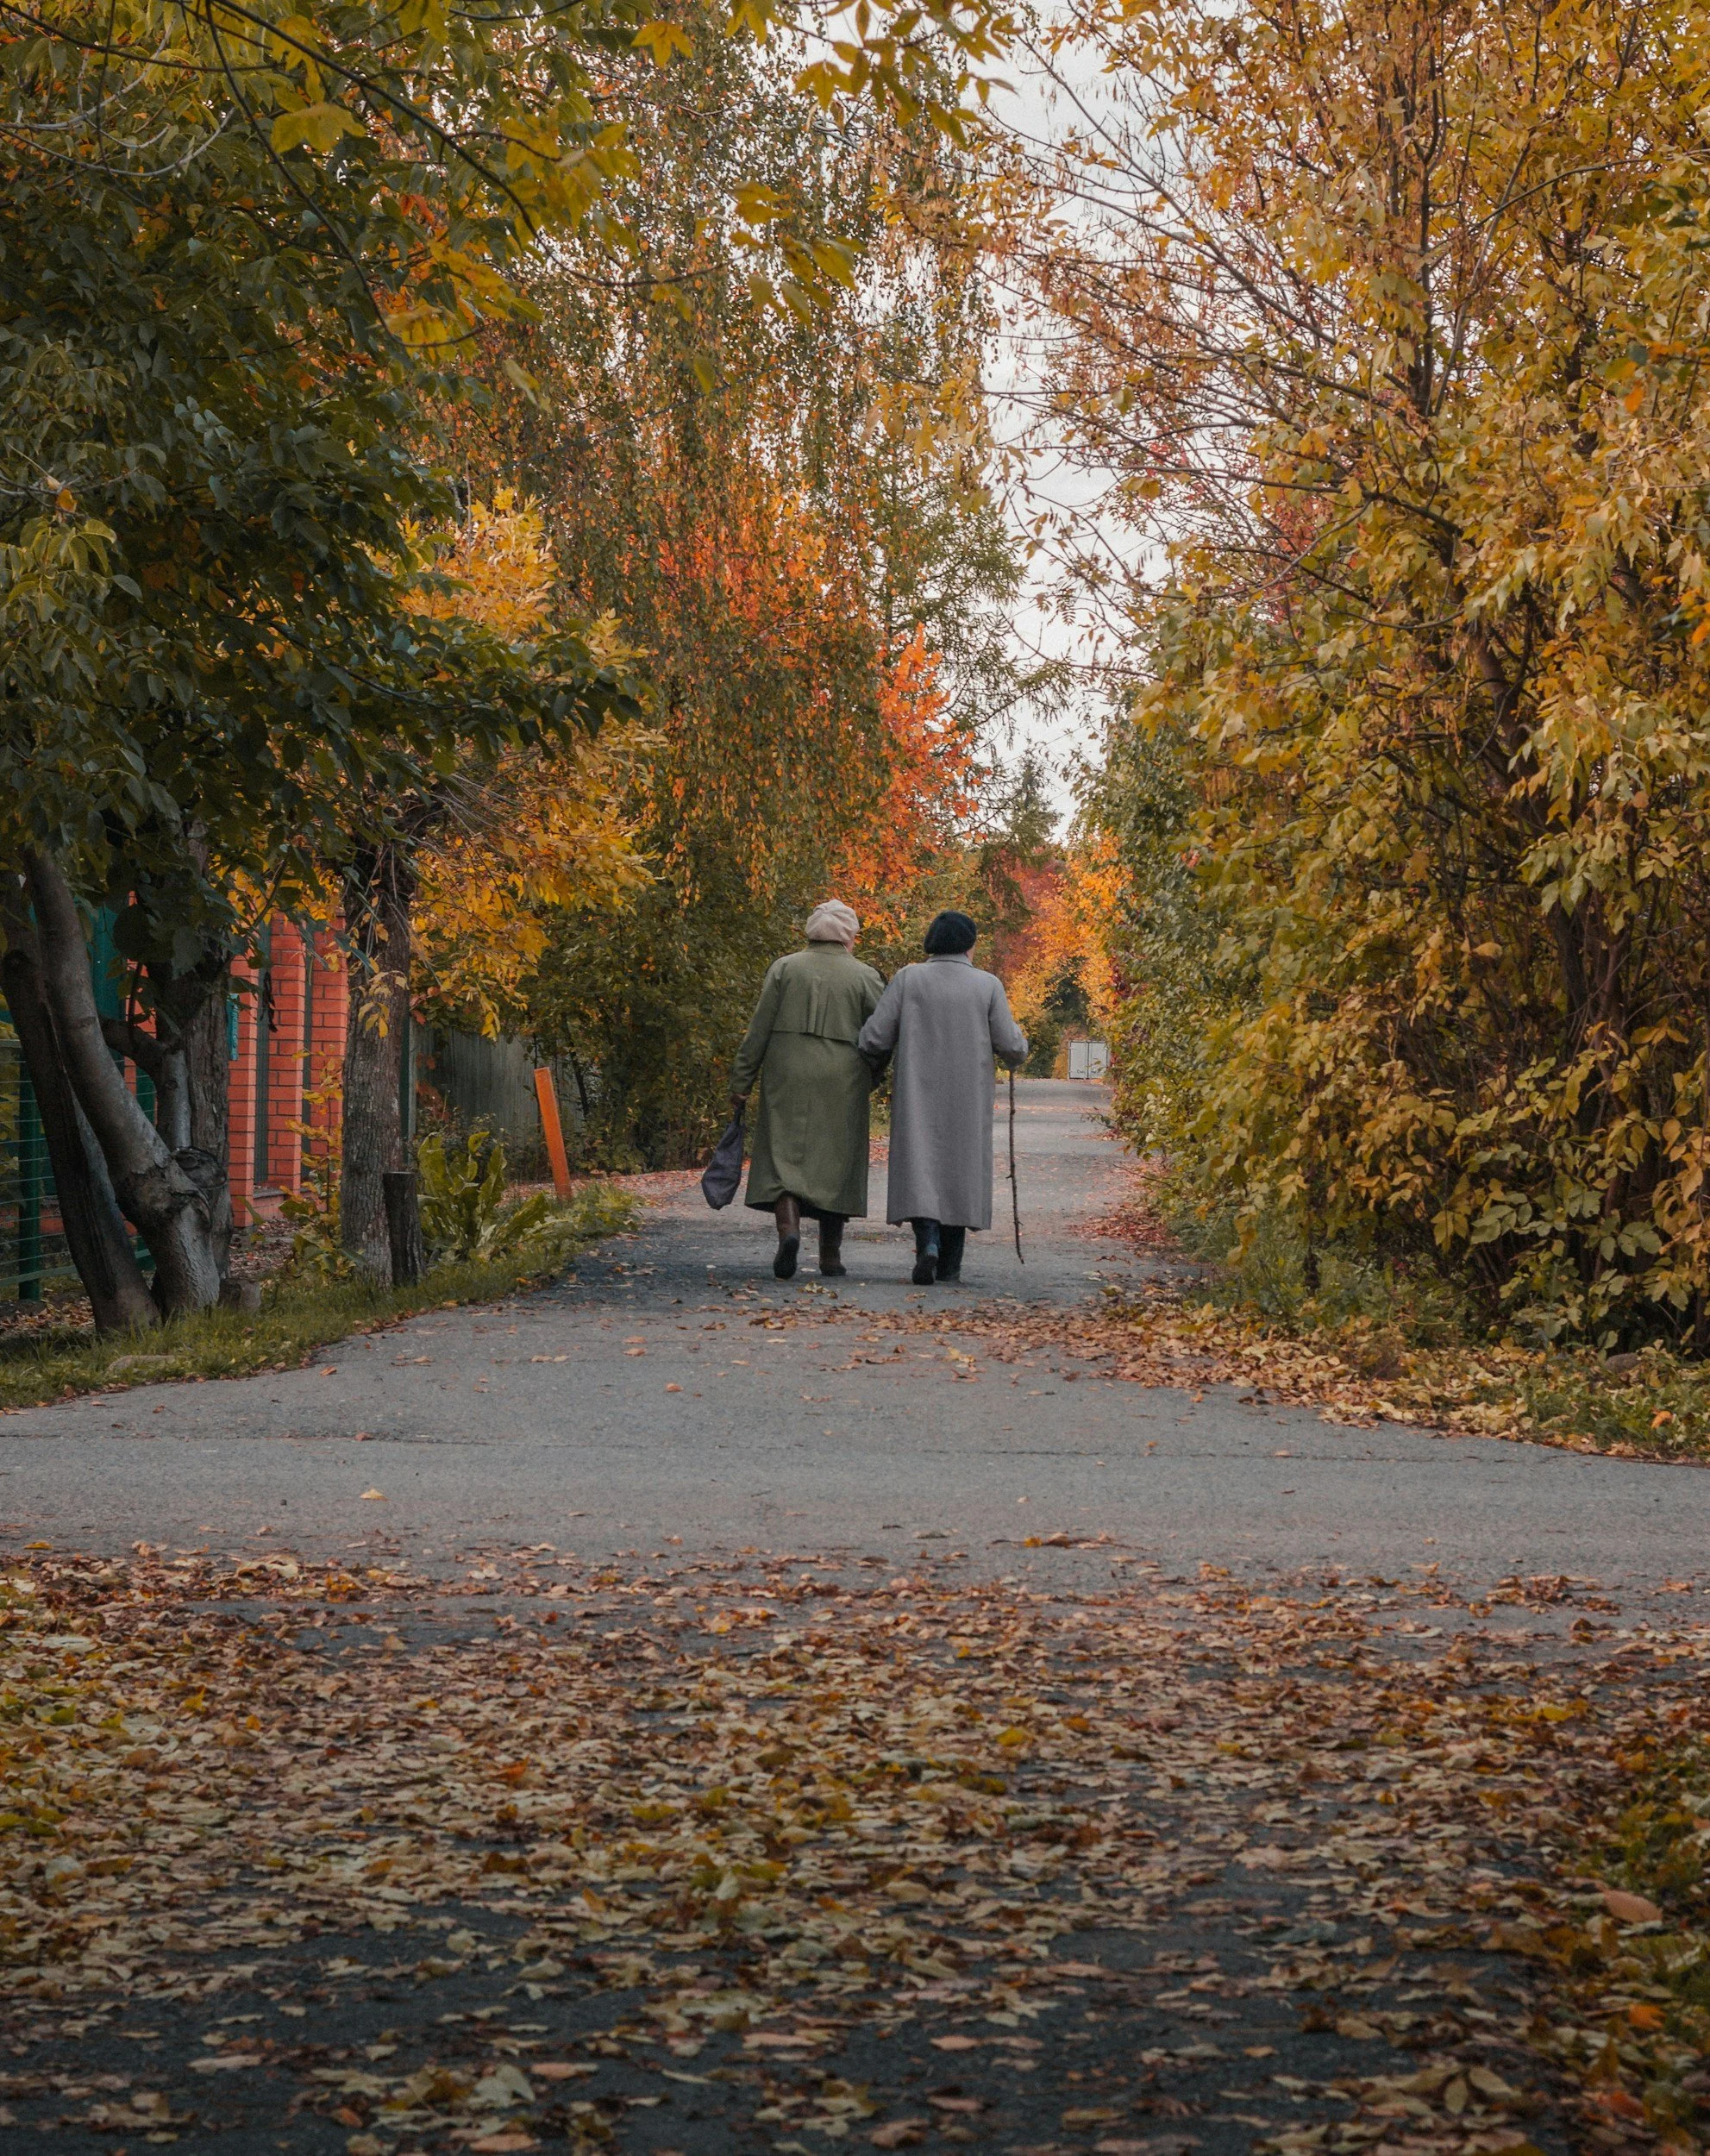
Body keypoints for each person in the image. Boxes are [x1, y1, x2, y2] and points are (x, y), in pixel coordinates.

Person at [857, 909, 1027, 1285]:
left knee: (921, 1165)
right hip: (968, 1097)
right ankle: (950, 1263)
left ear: (930, 943)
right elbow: (1012, 1047)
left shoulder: (908, 979)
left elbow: (874, 1038)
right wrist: (1020, 1046)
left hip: (917, 1092)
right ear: (970, 944)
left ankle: (927, 1244)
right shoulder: (987, 985)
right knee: (959, 1171)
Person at [729, 900, 885, 1280]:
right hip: (843, 1077)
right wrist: (872, 1076)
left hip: (787, 1073)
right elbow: (882, 1036)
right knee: (838, 1159)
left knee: (784, 1156)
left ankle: (790, 1232)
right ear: (849, 935)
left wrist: (741, 1082)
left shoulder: (784, 968)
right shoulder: (865, 976)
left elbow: (759, 1030)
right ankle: (830, 1256)